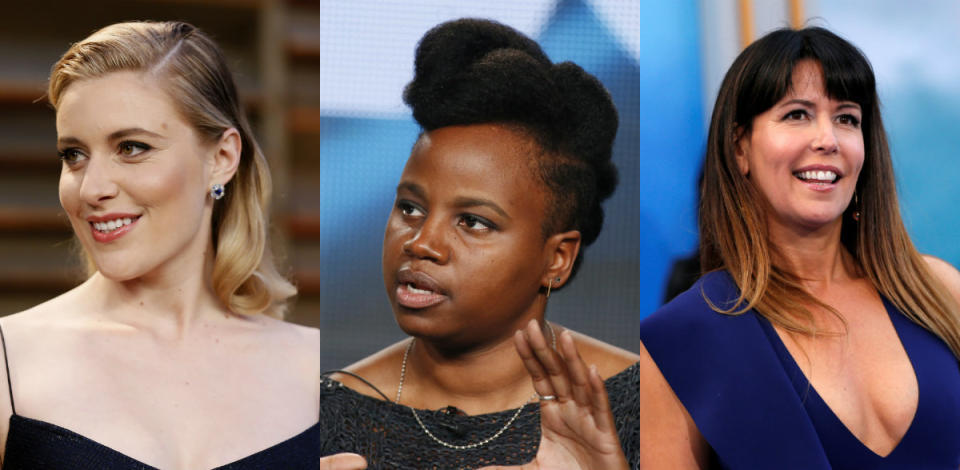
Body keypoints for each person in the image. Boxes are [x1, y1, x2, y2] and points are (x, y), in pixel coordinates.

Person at [0, 21, 364, 469]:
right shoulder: (8, 362)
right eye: (73, 154)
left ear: (222, 158)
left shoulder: (324, 373)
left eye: (131, 147)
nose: (91, 188)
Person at [319, 18, 640, 468]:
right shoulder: (324, 415)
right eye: (410, 208)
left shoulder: (636, 404)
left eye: (472, 221)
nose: (422, 242)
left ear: (557, 258)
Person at [636, 27, 960, 468]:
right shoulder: (681, 338)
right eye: (797, 115)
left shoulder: (939, 291)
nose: (827, 139)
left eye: (847, 118)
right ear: (739, 149)